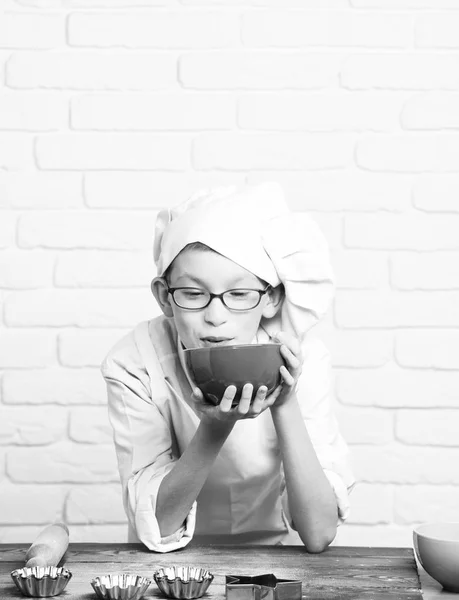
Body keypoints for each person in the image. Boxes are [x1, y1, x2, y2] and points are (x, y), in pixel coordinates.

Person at [101, 181, 355, 554]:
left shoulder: (302, 358)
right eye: (192, 293)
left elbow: (318, 533)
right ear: (164, 298)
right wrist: (214, 428)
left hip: (274, 556)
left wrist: (284, 401)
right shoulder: (135, 361)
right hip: (163, 562)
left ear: (271, 299)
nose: (215, 317)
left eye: (239, 294)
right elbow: (158, 522)